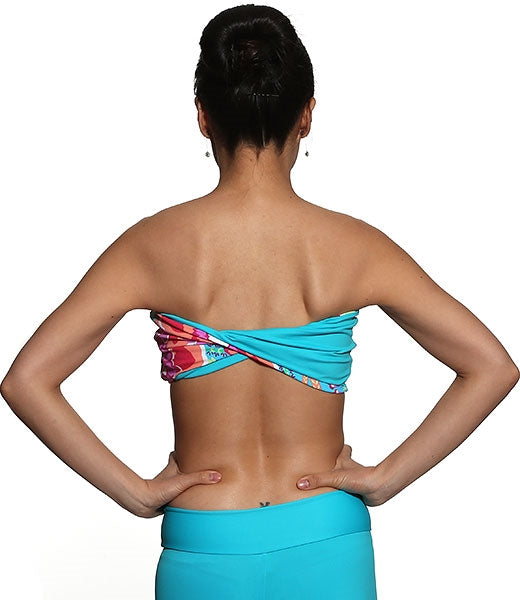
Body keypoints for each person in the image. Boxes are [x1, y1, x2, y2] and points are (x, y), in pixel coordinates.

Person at [1, 4, 518, 599]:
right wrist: (385, 479)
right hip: (328, 533)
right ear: (307, 113)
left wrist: (136, 492)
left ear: (202, 116)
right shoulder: (356, 247)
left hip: (206, 536)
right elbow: (492, 366)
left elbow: (26, 380)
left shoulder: (151, 246)